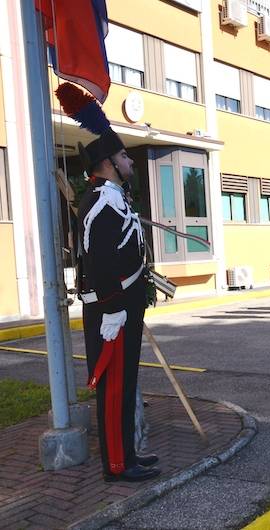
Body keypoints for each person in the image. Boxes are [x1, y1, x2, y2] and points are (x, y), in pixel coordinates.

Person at [56, 82, 160, 482]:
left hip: (123, 307)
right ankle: (117, 465)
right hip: (110, 311)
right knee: (114, 387)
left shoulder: (116, 199)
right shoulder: (100, 203)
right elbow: (99, 263)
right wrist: (115, 310)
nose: (130, 163)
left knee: (127, 381)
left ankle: (129, 454)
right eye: (123, 157)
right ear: (107, 165)